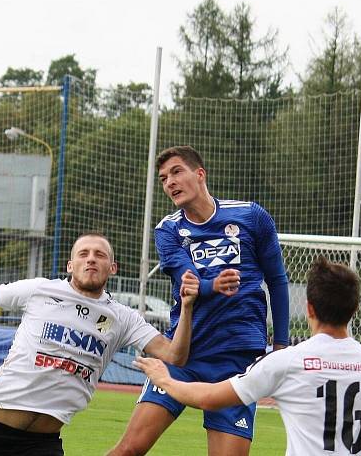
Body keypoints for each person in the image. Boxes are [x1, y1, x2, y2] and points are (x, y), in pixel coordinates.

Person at [0, 232, 198, 456]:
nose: (91, 259)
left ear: (112, 268)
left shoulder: (123, 318)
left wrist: (187, 308)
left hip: (42, 444)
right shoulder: (41, 290)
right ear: (70, 265)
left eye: (100, 255)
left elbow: (175, 355)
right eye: (83, 254)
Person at [135, 257, 361, 456]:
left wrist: (165, 378)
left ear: (309, 309)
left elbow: (209, 398)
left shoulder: (289, 362)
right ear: (354, 309)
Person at [110, 145, 290, 456]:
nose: (170, 183)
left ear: (200, 174)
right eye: (164, 178)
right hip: (183, 355)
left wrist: (282, 346)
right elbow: (187, 282)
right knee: (129, 450)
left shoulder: (251, 216)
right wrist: (212, 286)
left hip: (237, 360)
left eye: (177, 172)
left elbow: (277, 281)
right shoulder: (168, 230)